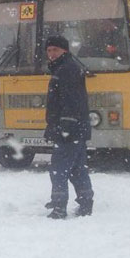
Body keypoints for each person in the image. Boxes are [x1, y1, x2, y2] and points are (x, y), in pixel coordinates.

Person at [43, 34, 93, 218]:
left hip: (69, 131)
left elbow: (71, 102)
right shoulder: (66, 67)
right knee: (77, 168)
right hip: (77, 129)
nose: (51, 54)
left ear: (64, 50)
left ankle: (59, 207)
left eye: (55, 50)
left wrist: (64, 127)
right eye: (49, 50)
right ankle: (86, 203)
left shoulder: (66, 70)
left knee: (59, 169)